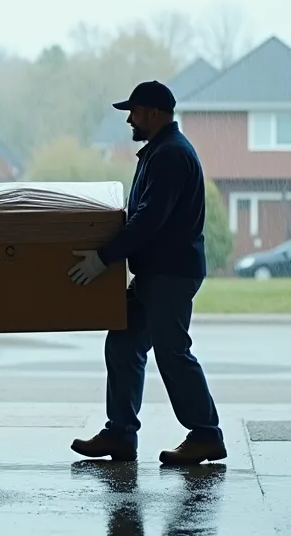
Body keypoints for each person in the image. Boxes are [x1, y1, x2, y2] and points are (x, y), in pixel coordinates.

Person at [66, 80, 226, 465]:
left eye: (134, 113)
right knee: (123, 343)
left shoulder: (170, 155)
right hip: (156, 274)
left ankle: (206, 434)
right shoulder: (160, 151)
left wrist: (103, 257)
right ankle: (120, 434)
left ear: (154, 113)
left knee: (172, 352)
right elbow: (139, 215)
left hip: (169, 274)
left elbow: (148, 220)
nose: (130, 121)